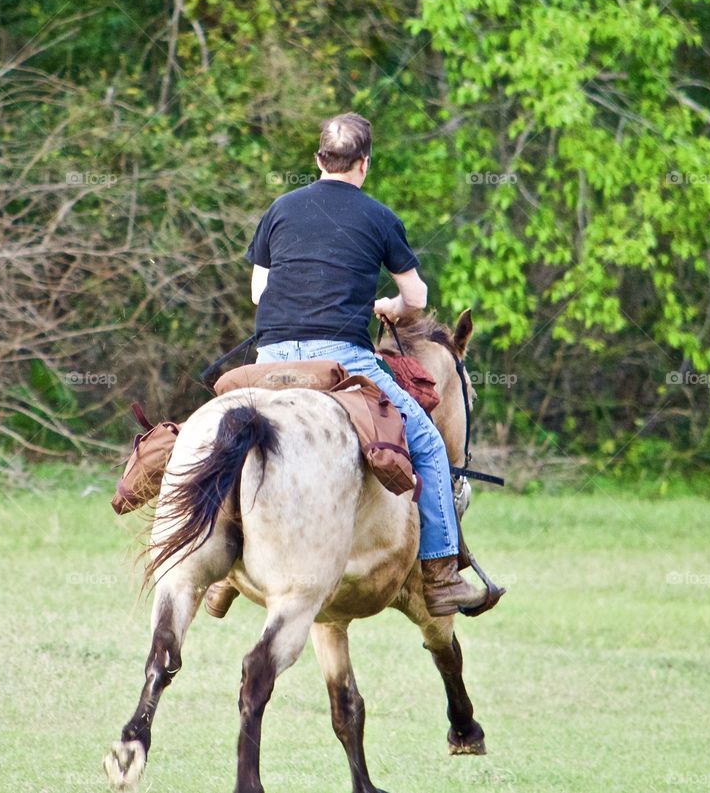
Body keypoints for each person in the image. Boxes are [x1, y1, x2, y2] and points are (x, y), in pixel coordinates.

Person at [209, 112, 499, 621]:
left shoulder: (279, 209)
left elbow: (260, 292)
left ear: (318, 159)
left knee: (220, 437)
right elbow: (417, 296)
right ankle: (441, 578)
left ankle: (218, 574)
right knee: (429, 444)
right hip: (341, 358)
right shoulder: (379, 216)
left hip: (271, 355)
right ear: (364, 164)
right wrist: (387, 307)